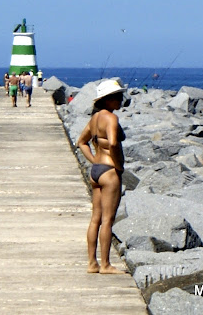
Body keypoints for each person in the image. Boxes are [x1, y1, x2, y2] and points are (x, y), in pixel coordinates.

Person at [77, 79, 127, 274]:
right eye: (118, 97)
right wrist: (118, 165)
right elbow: (114, 143)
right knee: (107, 219)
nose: (121, 100)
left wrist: (93, 160)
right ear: (108, 100)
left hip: (96, 170)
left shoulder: (95, 118)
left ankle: (92, 263)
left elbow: (81, 142)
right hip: (109, 172)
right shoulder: (111, 119)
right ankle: (105, 264)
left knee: (95, 219)